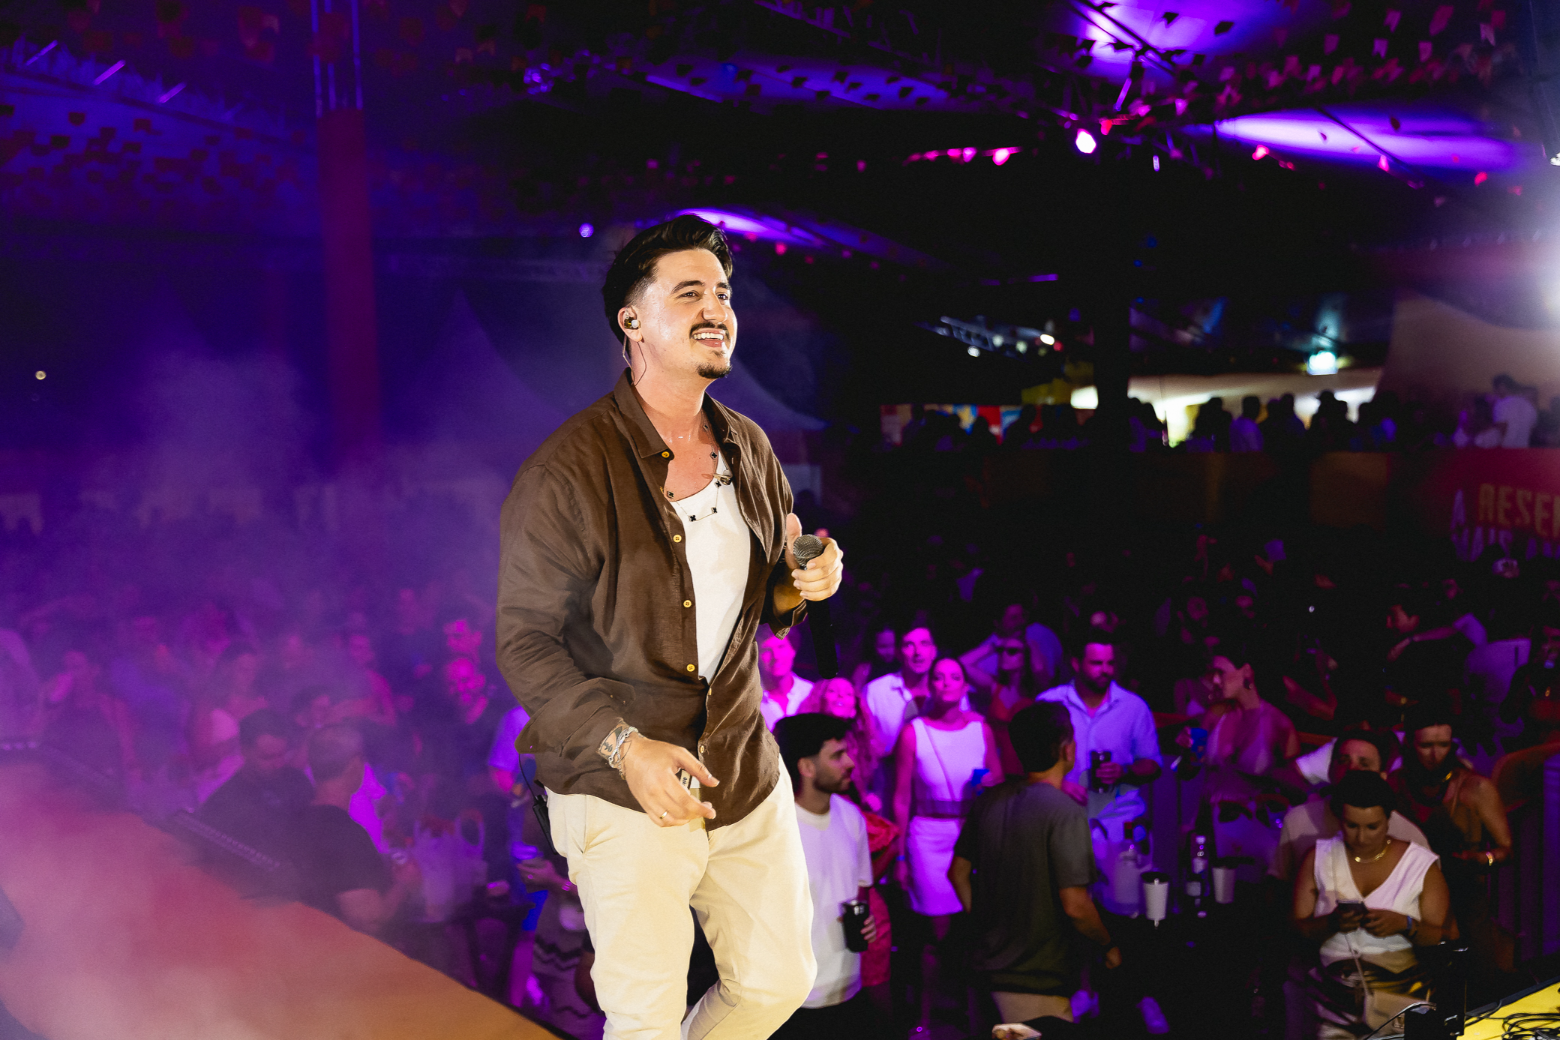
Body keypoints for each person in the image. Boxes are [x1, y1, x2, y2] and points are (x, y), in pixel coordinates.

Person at [496, 215, 844, 1040]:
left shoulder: (749, 446)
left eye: (722, 293)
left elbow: (770, 584)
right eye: (690, 293)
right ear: (633, 321)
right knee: (643, 1019)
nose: (717, 309)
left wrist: (806, 578)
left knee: (780, 981)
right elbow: (524, 642)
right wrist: (627, 747)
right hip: (621, 783)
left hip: (739, 766)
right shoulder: (567, 469)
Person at [950, 702, 1120, 1028]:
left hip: (985, 975)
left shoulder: (989, 801)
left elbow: (958, 874)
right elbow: (1076, 906)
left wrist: (988, 924)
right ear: (1066, 749)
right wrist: (1109, 946)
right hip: (1034, 985)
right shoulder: (1064, 812)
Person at [1292, 771, 1448, 1040]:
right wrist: (1331, 923)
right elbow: (1297, 929)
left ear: (1388, 819)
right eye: (1351, 826)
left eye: (1372, 827)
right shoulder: (1318, 858)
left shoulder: (1420, 865)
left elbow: (1446, 937)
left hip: (1400, 1000)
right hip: (1331, 1003)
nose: (1361, 837)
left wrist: (1405, 925)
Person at [891, 656, 1002, 1036]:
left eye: (955, 677)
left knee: (973, 928)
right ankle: (925, 1017)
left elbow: (999, 779)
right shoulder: (914, 732)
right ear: (931, 685)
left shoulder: (981, 729)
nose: (946, 682)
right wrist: (900, 855)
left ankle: (973, 1013)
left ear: (965, 686)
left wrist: (990, 785)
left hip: (972, 832)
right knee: (934, 933)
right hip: (927, 836)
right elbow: (901, 798)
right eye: (939, 677)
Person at [771, 713, 880, 1040]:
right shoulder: (773, 828)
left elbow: (859, 891)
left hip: (849, 987)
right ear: (806, 767)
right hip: (793, 999)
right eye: (837, 755)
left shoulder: (852, 817)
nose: (850, 763)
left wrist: (866, 922)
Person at [1389, 704, 1514, 974]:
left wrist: (1481, 858)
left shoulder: (1475, 788)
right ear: (1409, 743)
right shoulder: (1395, 785)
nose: (1435, 755)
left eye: (1443, 745)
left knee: (1477, 979)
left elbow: (1506, 849)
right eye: (1426, 745)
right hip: (1410, 902)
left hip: (1465, 901)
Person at [291, 724, 422, 935]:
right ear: (354, 765)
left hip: (304, 942)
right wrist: (404, 884)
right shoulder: (345, 834)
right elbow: (368, 920)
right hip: (339, 950)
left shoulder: (297, 819)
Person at [1271, 730, 1428, 885]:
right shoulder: (1298, 820)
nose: (1352, 769)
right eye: (1344, 761)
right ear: (1330, 771)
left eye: (1364, 764)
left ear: (1382, 777)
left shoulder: (1409, 836)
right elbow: (1278, 885)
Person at [1200, 646, 1300, 877]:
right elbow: (1189, 771)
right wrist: (1187, 752)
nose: (1215, 680)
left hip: (1256, 834)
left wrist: (1269, 777)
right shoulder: (1215, 715)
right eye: (1212, 674)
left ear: (1246, 671)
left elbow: (1296, 789)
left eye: (1221, 673)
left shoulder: (1278, 723)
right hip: (1212, 828)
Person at [198, 708, 314, 863]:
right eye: (267, 757)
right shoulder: (222, 802)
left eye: (281, 755)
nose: (278, 764)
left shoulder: (296, 780)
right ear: (244, 751)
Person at [961, 631, 1041, 777]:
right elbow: (962, 664)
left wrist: (1032, 646)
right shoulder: (995, 686)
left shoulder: (1035, 689)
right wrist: (993, 646)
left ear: (1025, 657)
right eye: (1001, 651)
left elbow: (1039, 668)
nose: (1004, 655)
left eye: (1012, 651)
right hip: (996, 765)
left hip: (1026, 767)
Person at [758, 628, 815, 731]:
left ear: (793, 650)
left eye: (781, 647)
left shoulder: (811, 692)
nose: (776, 656)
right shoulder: (749, 699)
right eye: (767, 650)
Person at [1492, 373, 1538, 448]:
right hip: (1523, 449)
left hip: (1506, 450)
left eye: (1495, 388)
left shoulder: (1501, 404)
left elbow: (1501, 429)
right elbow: (1531, 429)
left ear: (1502, 386)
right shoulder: (1529, 405)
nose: (1494, 391)